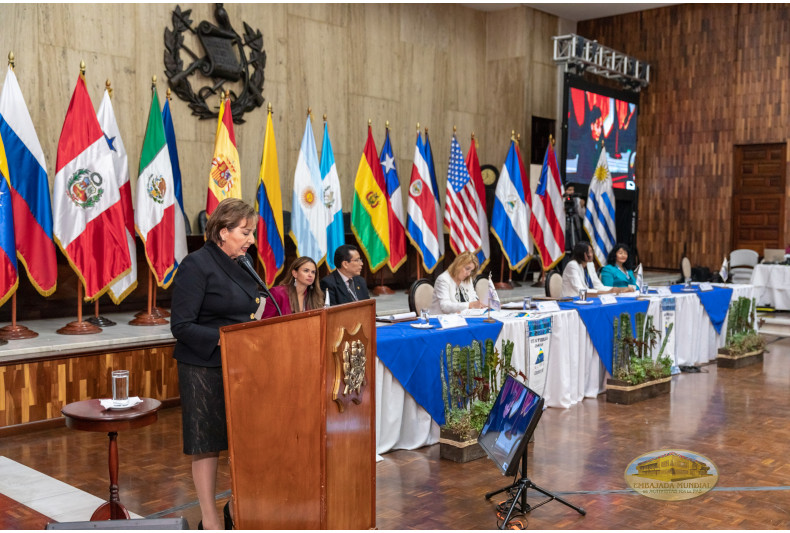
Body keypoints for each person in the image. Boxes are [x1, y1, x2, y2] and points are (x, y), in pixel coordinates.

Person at [170, 198, 260, 530]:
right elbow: (180, 325)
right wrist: (224, 339)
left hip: (243, 363)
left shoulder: (245, 263)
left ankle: (237, 508)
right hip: (203, 366)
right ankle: (209, 518)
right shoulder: (196, 264)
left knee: (245, 439)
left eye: (252, 232)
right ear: (223, 232)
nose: (250, 239)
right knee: (207, 445)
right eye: (245, 232)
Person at [561, 242, 627, 298]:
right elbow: (581, 290)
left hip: (588, 298)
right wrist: (607, 292)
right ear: (580, 253)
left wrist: (620, 289)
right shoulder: (572, 265)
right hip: (573, 299)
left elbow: (598, 285)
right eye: (588, 252)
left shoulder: (590, 264)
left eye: (591, 251)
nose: (591, 255)